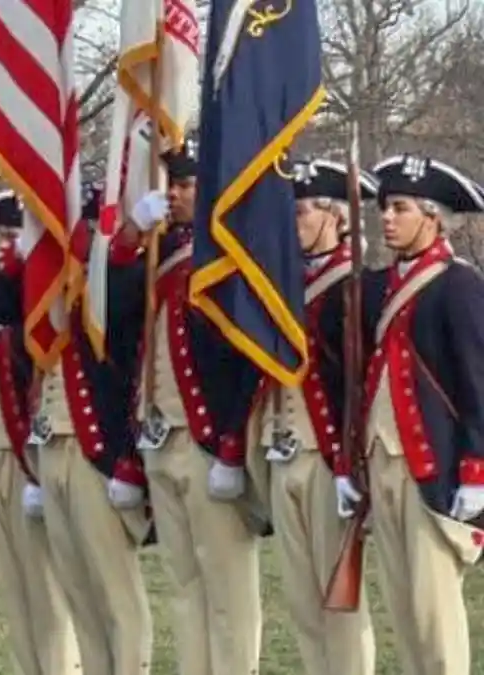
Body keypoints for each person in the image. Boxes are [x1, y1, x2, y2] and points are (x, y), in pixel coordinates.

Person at [122, 137, 265, 675]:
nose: (176, 195)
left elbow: (243, 362)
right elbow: (108, 308)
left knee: (228, 586)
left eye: (185, 185)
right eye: (172, 185)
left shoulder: (228, 256)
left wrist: (232, 445)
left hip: (207, 440)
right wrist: (132, 235)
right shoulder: (161, 257)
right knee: (183, 583)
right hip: (162, 440)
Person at [345, 154, 484, 675]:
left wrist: (476, 469)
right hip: (382, 464)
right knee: (402, 614)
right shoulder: (377, 287)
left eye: (399, 208)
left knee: (435, 619)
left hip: (432, 470)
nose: (386, 218)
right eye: (383, 208)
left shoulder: (458, 285)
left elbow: (477, 384)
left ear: (432, 216)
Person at [243, 158, 377, 675]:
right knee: (301, 601)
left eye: (300, 212)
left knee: (338, 604)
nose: (291, 224)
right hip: (281, 452)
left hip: (328, 457)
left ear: (333, 215)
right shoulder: (285, 286)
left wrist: (354, 464)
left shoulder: (355, 287)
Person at [37, 181, 154, 674]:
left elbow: (123, 306)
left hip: (96, 451)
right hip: (52, 446)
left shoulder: (112, 283)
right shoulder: (48, 285)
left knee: (115, 592)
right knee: (78, 590)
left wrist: (126, 242)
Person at [0, 188, 81, 674]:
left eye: (14, 234)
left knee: (46, 589)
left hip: (27, 454)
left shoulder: (42, 294)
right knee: (14, 591)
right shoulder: (2, 291)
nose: (5, 245)